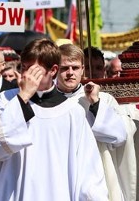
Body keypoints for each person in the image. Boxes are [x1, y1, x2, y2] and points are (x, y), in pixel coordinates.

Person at [0, 38, 107, 200]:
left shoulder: (72, 112)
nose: (26, 76)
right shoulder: (7, 100)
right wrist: (23, 97)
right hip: (14, 191)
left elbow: (89, 172)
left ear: (53, 70)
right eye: (24, 68)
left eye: (34, 71)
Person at [56, 44, 132, 200]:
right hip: (58, 175)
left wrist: (95, 104)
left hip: (92, 176)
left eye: (75, 68)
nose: (70, 73)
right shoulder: (47, 101)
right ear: (55, 69)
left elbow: (118, 136)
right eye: (65, 68)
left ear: (82, 69)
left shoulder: (102, 99)